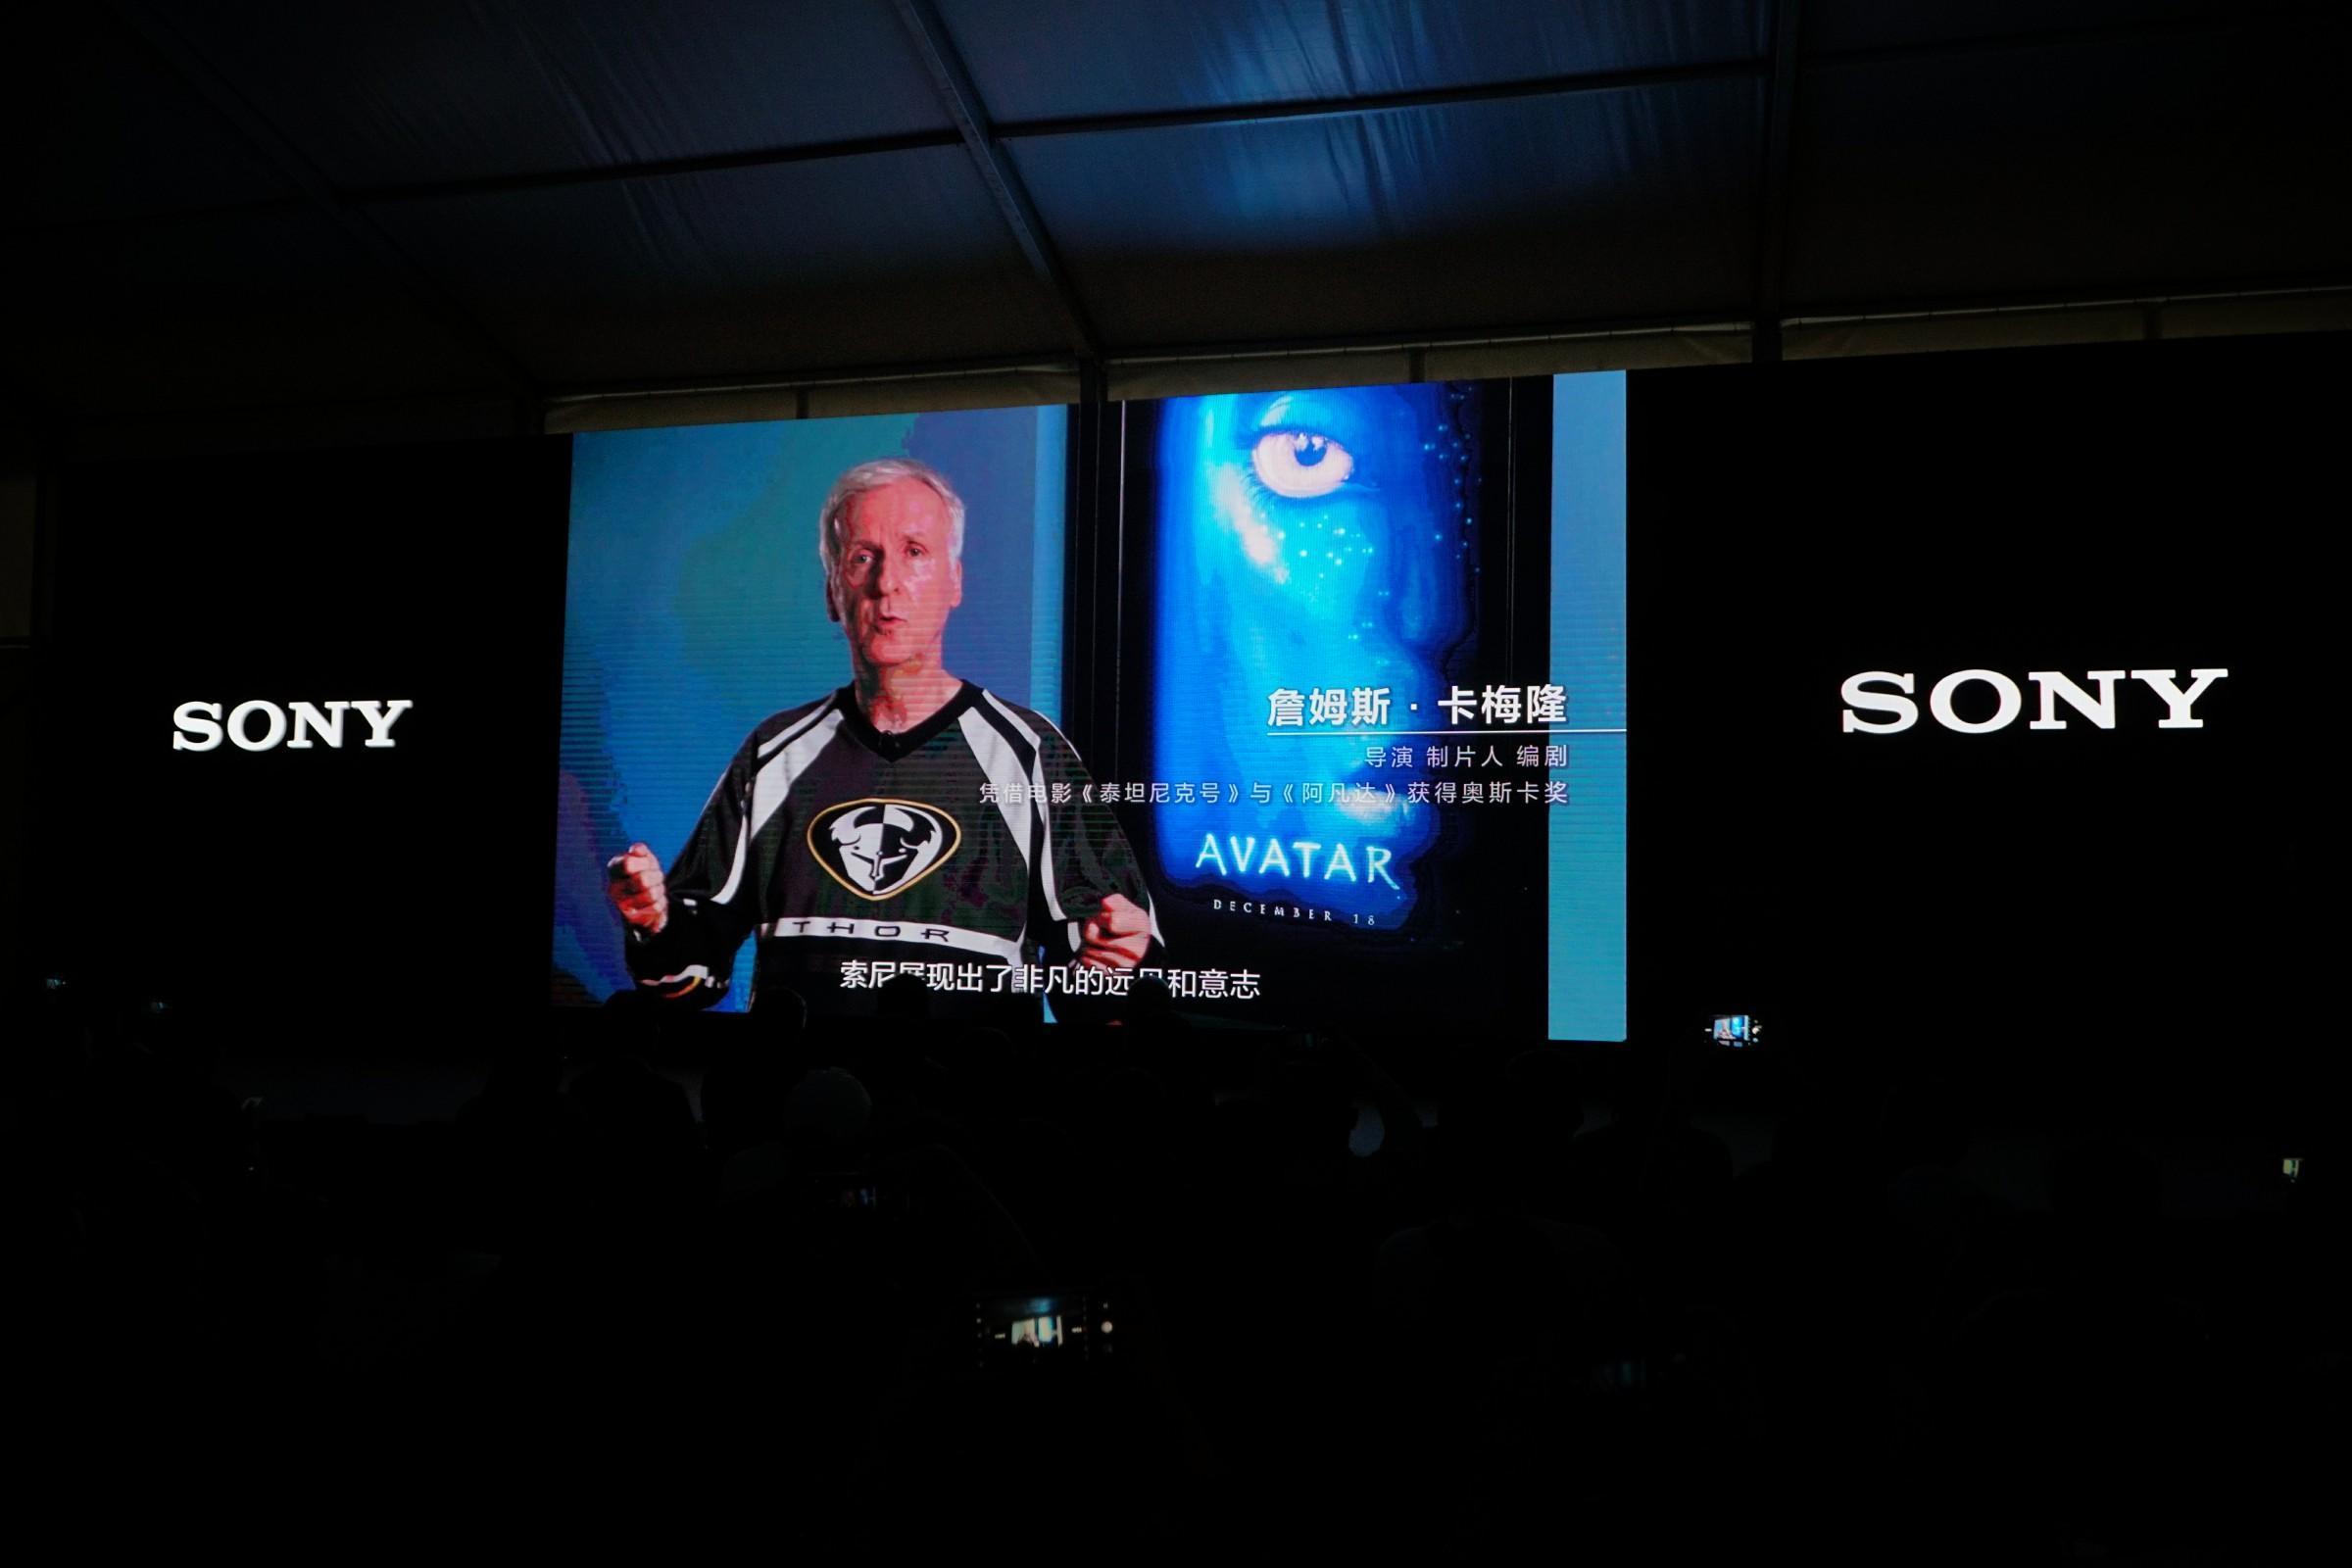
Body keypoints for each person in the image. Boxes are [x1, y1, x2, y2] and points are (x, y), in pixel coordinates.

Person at [606, 458, 1157, 1015]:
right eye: (862, 557)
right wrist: (654, 924)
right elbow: (692, 976)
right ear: (832, 592)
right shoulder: (774, 754)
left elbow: (1099, 978)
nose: (886, 583)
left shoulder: (1030, 755)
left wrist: (1114, 966)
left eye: (914, 552)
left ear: (954, 582)